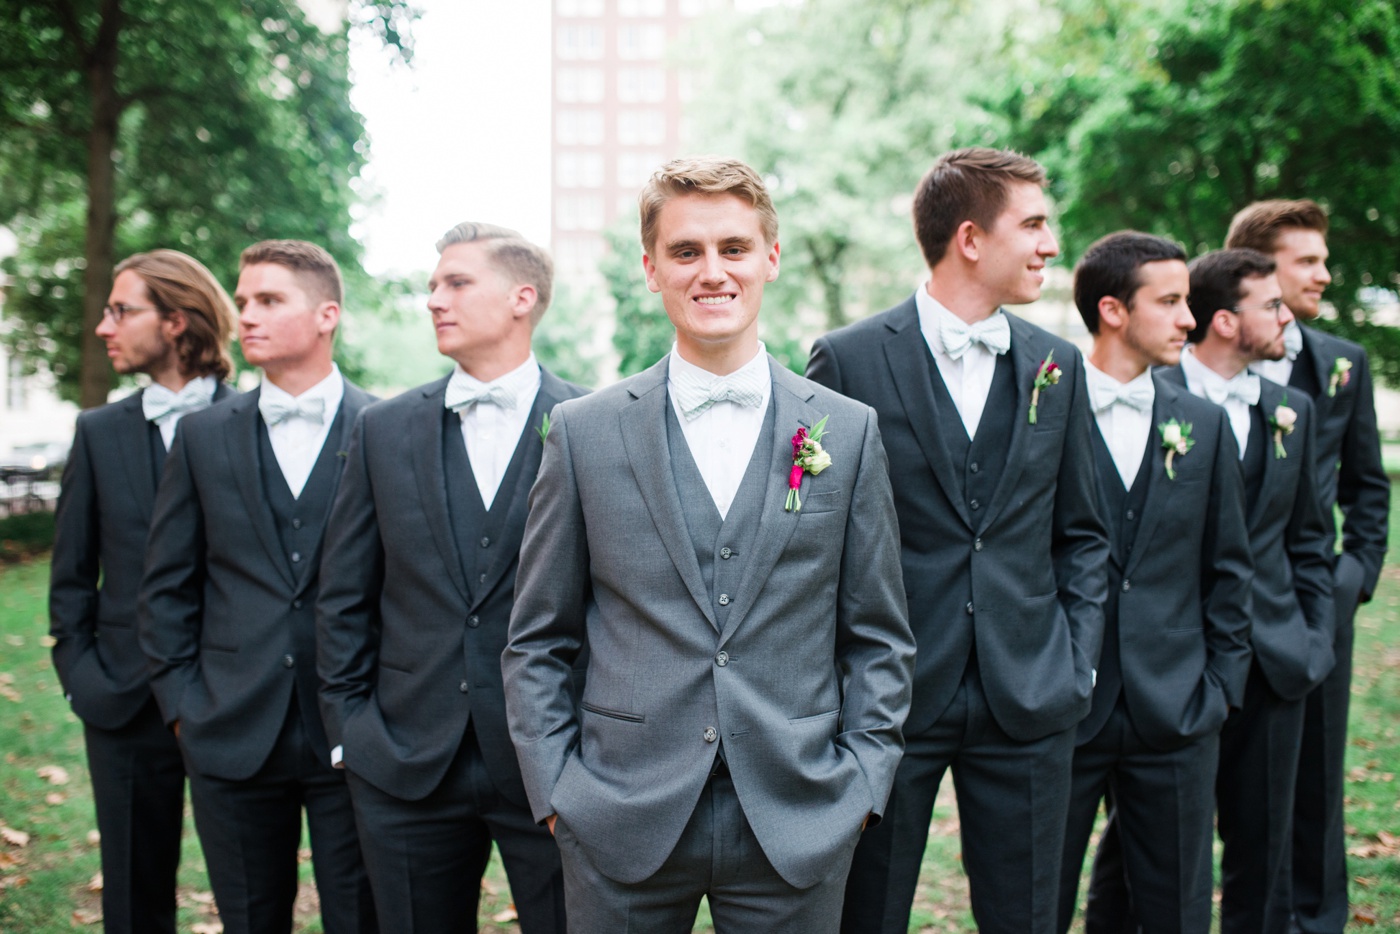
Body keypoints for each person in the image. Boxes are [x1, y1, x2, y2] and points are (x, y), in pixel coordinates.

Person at [502, 156, 915, 932]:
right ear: (652, 269)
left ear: (770, 259)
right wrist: (560, 792)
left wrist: (861, 784)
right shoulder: (584, 434)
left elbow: (878, 634)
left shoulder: (846, 431)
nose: (712, 272)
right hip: (617, 814)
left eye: (734, 248)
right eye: (686, 252)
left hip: (798, 815)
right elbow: (537, 640)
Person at [806, 147, 1109, 934]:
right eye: (1035, 224)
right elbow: (815, 538)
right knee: (866, 913)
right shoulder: (849, 358)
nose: (1050, 244)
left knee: (1031, 917)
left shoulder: (1058, 365)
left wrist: (1075, 661)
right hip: (889, 697)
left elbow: (1083, 533)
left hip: (1033, 689)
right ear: (970, 238)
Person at [317, 222, 586, 933]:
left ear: (522, 297)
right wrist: (351, 732)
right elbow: (343, 592)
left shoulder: (593, 424)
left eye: (456, 282)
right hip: (404, 765)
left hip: (554, 763)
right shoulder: (382, 428)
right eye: (433, 284)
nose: (435, 298)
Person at [139, 240, 378, 934]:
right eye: (244, 302)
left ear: (327, 314)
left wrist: (375, 716)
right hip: (228, 728)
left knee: (362, 918)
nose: (246, 316)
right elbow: (166, 586)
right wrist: (186, 708)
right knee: (248, 919)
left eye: (269, 300)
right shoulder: (204, 435)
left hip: (353, 733)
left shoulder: (387, 427)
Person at [1055, 232, 1252, 934]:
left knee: (1177, 912)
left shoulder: (1201, 423)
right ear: (1113, 309)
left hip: (1177, 710)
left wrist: (1220, 687)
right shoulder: (1046, 411)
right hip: (1064, 711)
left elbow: (1229, 566)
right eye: (1169, 302)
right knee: (1036, 907)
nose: (1188, 320)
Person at [49, 249, 237, 934]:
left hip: (232, 701)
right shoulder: (97, 433)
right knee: (132, 899)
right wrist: (83, 681)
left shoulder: (252, 421)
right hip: (122, 703)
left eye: (121, 310)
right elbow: (70, 575)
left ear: (176, 321)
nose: (105, 326)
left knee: (250, 890)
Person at [1151, 248, 1334, 934]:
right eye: (1273, 306)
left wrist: (1312, 640)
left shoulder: (1295, 411)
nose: (1289, 316)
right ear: (1224, 321)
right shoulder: (1157, 397)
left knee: (1263, 851)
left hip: (1278, 665)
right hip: (1178, 668)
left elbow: (1312, 539)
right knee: (1158, 848)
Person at [1226, 200, 1390, 934]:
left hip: (1315, 610)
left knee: (1319, 780)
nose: (1325, 274)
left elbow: (1366, 489)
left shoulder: (1344, 365)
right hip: (1225, 608)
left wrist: (1351, 581)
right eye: (1308, 261)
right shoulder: (1203, 353)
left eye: (1324, 260)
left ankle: (1317, 921)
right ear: (1259, 269)